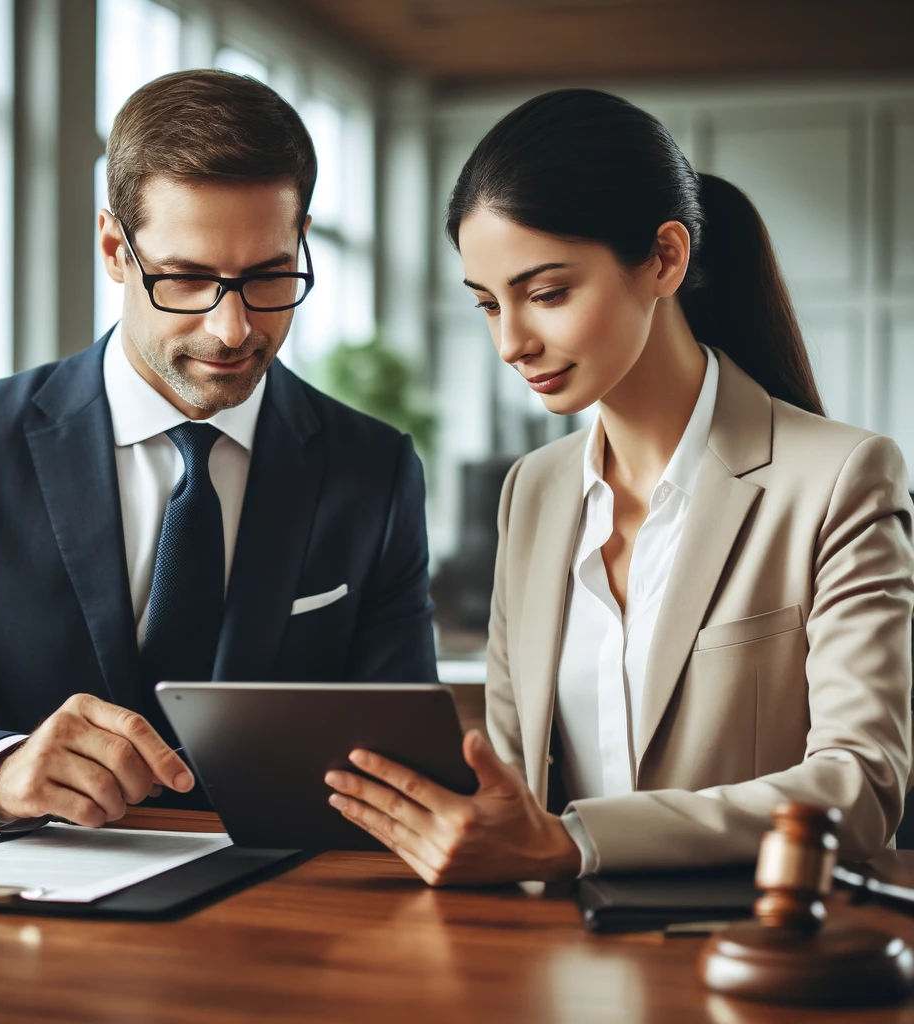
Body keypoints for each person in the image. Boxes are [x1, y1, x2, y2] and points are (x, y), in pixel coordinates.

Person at [325, 88, 914, 885]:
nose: (511, 341)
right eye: (489, 304)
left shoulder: (840, 478)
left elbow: (861, 785)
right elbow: (515, 785)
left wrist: (575, 842)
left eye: (546, 293)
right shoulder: (532, 491)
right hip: (542, 944)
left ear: (665, 259)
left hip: (747, 943)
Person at [0, 70, 436, 846]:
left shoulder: (374, 470)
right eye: (186, 278)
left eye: (269, 276)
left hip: (291, 892)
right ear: (115, 249)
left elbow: (403, 763)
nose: (232, 329)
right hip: (32, 886)